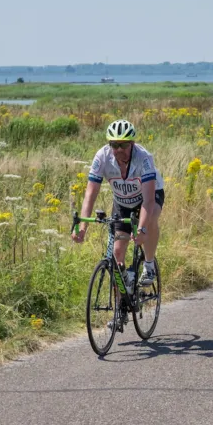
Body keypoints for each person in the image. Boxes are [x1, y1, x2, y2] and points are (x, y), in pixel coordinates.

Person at [72, 120, 164, 327]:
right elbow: (90, 194)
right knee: (117, 255)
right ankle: (121, 309)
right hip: (122, 202)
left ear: (132, 143)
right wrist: (83, 227)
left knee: (151, 220)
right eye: (114, 145)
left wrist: (141, 229)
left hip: (148, 198)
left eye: (123, 145)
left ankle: (148, 265)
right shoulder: (102, 157)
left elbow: (149, 201)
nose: (118, 149)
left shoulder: (144, 158)